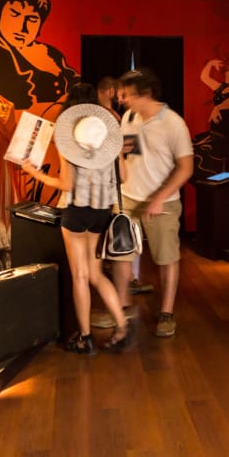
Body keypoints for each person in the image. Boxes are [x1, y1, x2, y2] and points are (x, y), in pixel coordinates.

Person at [21, 83, 132, 353]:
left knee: (80, 276)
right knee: (96, 273)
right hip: (102, 210)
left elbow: (67, 184)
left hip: (76, 210)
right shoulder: (108, 135)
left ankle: (85, 337)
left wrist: (34, 173)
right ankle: (121, 325)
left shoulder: (68, 135)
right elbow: (124, 177)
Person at [116, 68, 193, 338]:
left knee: (166, 257)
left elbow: (186, 167)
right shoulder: (128, 117)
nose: (122, 99)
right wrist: (119, 157)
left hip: (164, 202)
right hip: (128, 198)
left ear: (146, 94)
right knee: (120, 255)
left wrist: (158, 198)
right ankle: (121, 309)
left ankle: (166, 313)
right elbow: (128, 155)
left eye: (127, 94)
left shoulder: (173, 123)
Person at [0, 0, 79, 115]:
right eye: (14, 14)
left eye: (32, 19)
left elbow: (75, 83)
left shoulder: (51, 53)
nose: (22, 28)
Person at [97, 75, 153, 295]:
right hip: (120, 184)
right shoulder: (117, 116)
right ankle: (127, 281)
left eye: (126, 93)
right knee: (125, 233)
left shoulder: (119, 116)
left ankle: (128, 280)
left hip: (122, 184)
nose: (123, 98)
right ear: (111, 91)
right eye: (121, 93)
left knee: (124, 233)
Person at [192, 58, 229, 176]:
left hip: (227, 134)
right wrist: (210, 64)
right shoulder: (223, 88)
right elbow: (205, 78)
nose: (225, 73)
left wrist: (217, 108)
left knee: (223, 166)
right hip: (214, 133)